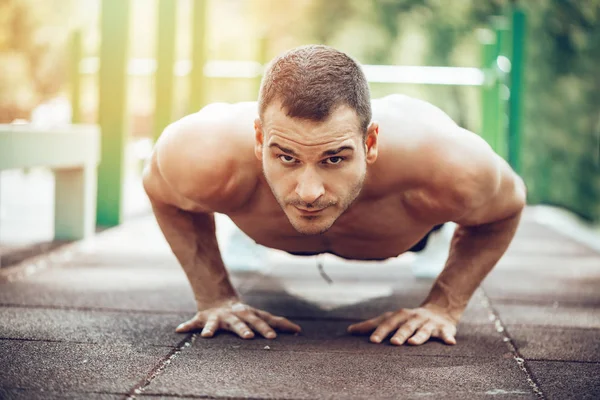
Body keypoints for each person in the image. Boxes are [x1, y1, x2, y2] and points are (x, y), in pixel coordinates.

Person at [143, 45, 526, 346]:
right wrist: (215, 297)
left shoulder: (446, 165)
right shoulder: (200, 155)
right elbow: (162, 194)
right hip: (258, 210)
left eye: (334, 158)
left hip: (407, 225)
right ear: (259, 140)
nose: (309, 192)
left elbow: (506, 209)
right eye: (286, 157)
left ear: (370, 142)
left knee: (444, 208)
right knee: (237, 191)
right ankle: (245, 234)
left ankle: (433, 239)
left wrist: (444, 306)